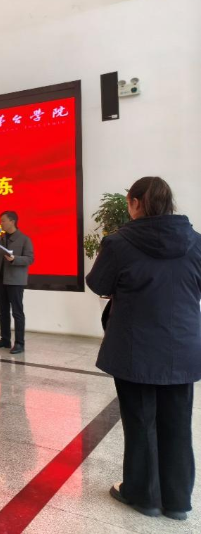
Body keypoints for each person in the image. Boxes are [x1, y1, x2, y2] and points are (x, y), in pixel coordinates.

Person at [87, 177, 201, 522]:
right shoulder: (196, 242)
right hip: (182, 347)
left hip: (134, 347)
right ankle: (177, 501)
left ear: (135, 203)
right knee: (178, 423)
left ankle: (143, 496)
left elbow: (99, 283)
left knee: (140, 421)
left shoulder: (119, 242)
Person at [0, 211, 34, 355]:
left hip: (15, 281)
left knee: (17, 313)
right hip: (0, 280)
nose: (1, 224)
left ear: (12, 221)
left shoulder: (24, 239)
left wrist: (15, 259)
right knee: (3, 312)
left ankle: (19, 343)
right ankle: (5, 340)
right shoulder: (0, 238)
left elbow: (30, 259)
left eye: (3, 221)